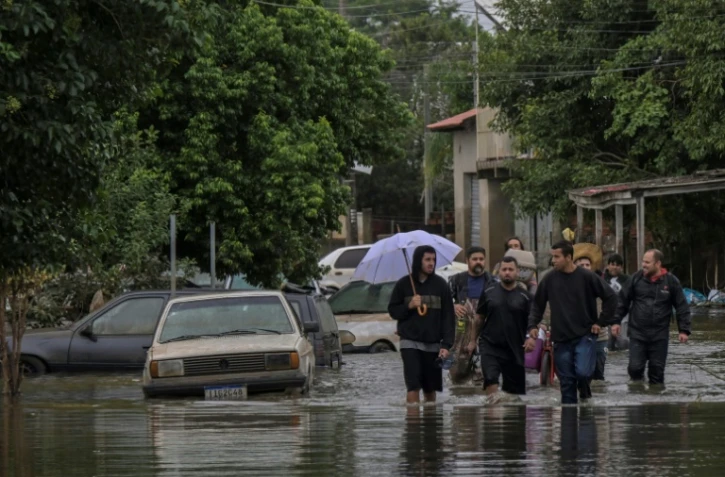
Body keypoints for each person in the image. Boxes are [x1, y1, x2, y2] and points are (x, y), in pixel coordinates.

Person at [525, 241, 619, 404]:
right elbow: (537, 305)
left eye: (557, 257)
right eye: (552, 257)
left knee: (582, 373)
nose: (553, 261)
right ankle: (568, 422)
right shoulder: (549, 279)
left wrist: (601, 322)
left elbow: (611, 297)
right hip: (560, 339)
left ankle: (585, 399)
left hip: (585, 336)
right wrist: (533, 325)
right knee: (567, 384)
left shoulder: (587, 277)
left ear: (568, 257)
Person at [388, 245, 456, 403]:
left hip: (433, 344)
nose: (431, 263)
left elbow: (448, 317)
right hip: (409, 342)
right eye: (427, 259)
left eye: (433, 259)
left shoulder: (441, 285)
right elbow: (393, 311)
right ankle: (413, 425)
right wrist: (409, 306)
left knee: (430, 388)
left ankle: (430, 423)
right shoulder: (403, 285)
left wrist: (446, 345)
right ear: (419, 261)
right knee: (413, 385)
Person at [616, 249, 691, 385]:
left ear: (658, 264)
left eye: (647, 262)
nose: (643, 265)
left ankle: (656, 402)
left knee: (657, 373)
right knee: (635, 368)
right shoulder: (635, 279)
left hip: (660, 335)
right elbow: (622, 301)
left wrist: (684, 330)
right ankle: (637, 395)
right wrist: (615, 322)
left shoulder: (671, 281)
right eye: (643, 261)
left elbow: (682, 306)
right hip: (637, 333)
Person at [468, 256, 532, 396]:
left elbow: (532, 321)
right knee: (491, 380)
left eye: (510, 269)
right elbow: (479, 318)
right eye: (504, 269)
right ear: (499, 272)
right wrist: (472, 341)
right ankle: (492, 415)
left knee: (515, 396)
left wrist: (530, 338)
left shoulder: (525, 297)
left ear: (517, 272)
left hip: (515, 348)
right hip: (490, 345)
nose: (507, 272)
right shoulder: (488, 291)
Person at [448, 246, 493, 383]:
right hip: (461, 333)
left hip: (485, 333)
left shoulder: (493, 281)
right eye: (475, 259)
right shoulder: (455, 280)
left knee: (484, 374)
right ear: (467, 261)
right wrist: (453, 306)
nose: (478, 262)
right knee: (457, 374)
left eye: (481, 259)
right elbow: (443, 303)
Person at [573, 244, 609, 382]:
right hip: (577, 337)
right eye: (581, 265)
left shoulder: (599, 284)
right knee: (580, 374)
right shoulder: (567, 285)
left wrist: (600, 322)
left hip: (599, 336)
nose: (585, 267)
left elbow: (608, 305)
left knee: (598, 375)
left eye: (587, 265)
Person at [602, 253, 630, 351]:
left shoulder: (627, 280)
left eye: (618, 265)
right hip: (606, 314)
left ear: (621, 267)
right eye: (612, 264)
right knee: (607, 344)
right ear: (608, 265)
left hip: (622, 315)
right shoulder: (601, 279)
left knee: (623, 342)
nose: (615, 267)